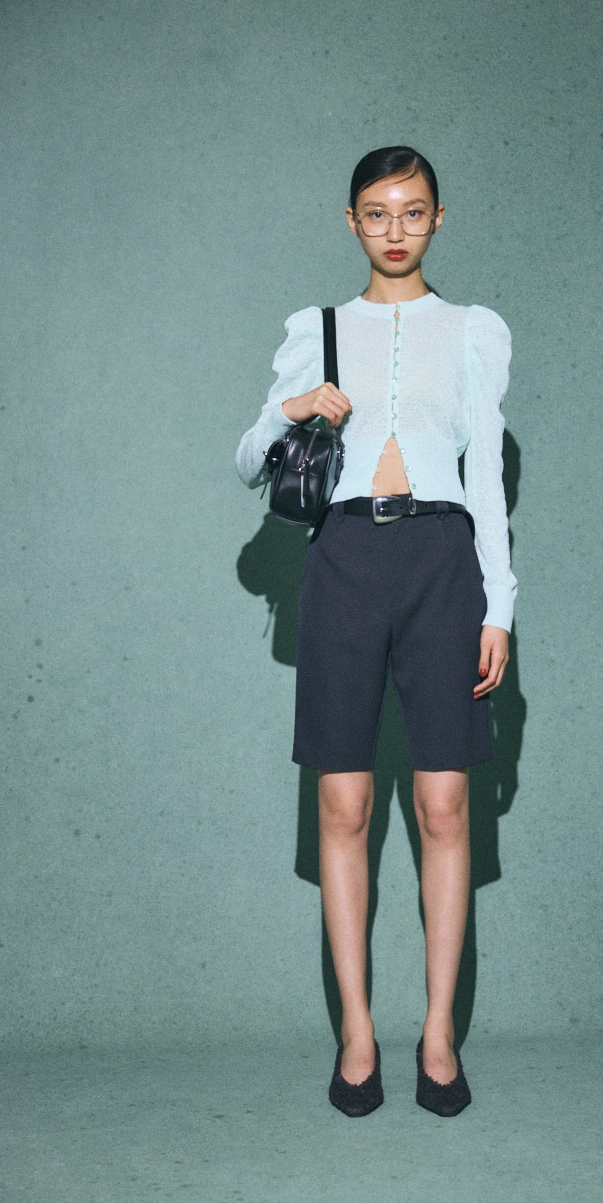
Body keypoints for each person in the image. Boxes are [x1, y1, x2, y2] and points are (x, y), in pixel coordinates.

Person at [236, 146, 516, 1117]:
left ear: (438, 217)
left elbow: (486, 475)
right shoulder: (314, 330)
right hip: (343, 561)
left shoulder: (473, 330)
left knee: (445, 806)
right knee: (343, 806)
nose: (395, 228)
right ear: (351, 221)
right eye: (376, 212)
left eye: (413, 210)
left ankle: (438, 1036)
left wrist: (498, 604)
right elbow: (248, 457)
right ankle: (356, 1034)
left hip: (443, 561)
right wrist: (292, 407)